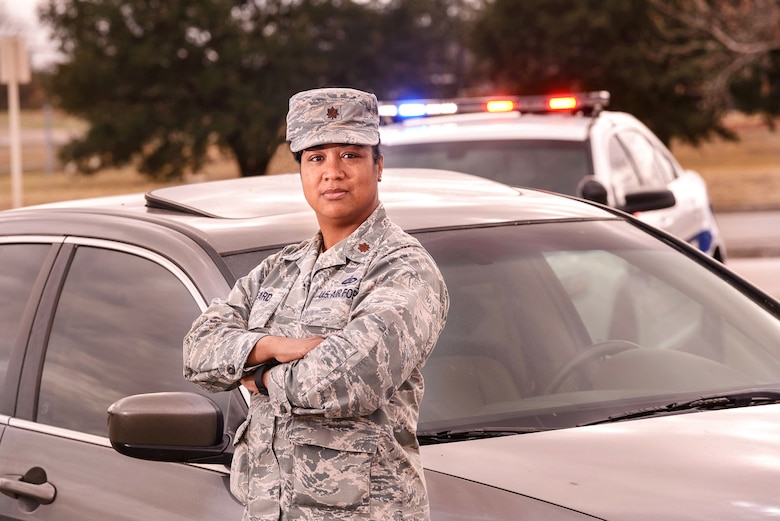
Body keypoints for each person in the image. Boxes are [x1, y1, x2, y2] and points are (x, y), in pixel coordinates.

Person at [183, 87, 449, 521]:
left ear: (378, 166)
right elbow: (197, 351)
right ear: (302, 172)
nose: (333, 173)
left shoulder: (403, 269)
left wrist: (261, 376)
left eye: (350, 155)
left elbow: (346, 380)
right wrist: (271, 345)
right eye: (316, 157)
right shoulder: (280, 270)